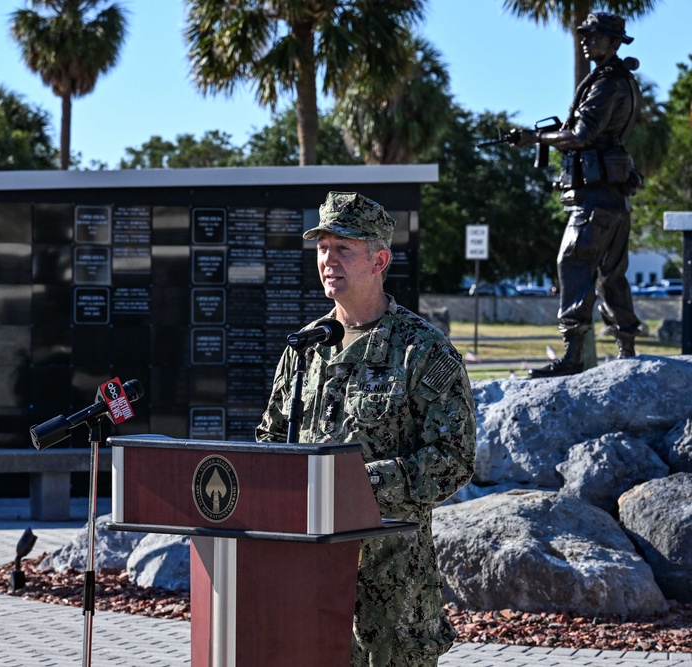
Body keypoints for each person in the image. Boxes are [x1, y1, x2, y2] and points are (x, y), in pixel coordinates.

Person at [256, 192, 476, 666]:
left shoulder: (422, 351)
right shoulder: (304, 349)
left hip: (391, 592)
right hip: (309, 576)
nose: (327, 260)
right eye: (322, 248)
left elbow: (453, 460)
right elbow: (270, 441)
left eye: (343, 249)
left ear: (379, 260)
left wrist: (361, 484)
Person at [515, 12, 644, 378]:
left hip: (595, 197)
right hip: (611, 195)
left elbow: (582, 134)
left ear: (614, 42)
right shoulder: (617, 79)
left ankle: (573, 356)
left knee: (573, 262)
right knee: (610, 274)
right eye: (585, 34)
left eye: (595, 36)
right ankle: (627, 352)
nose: (586, 40)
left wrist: (536, 138)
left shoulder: (608, 83)